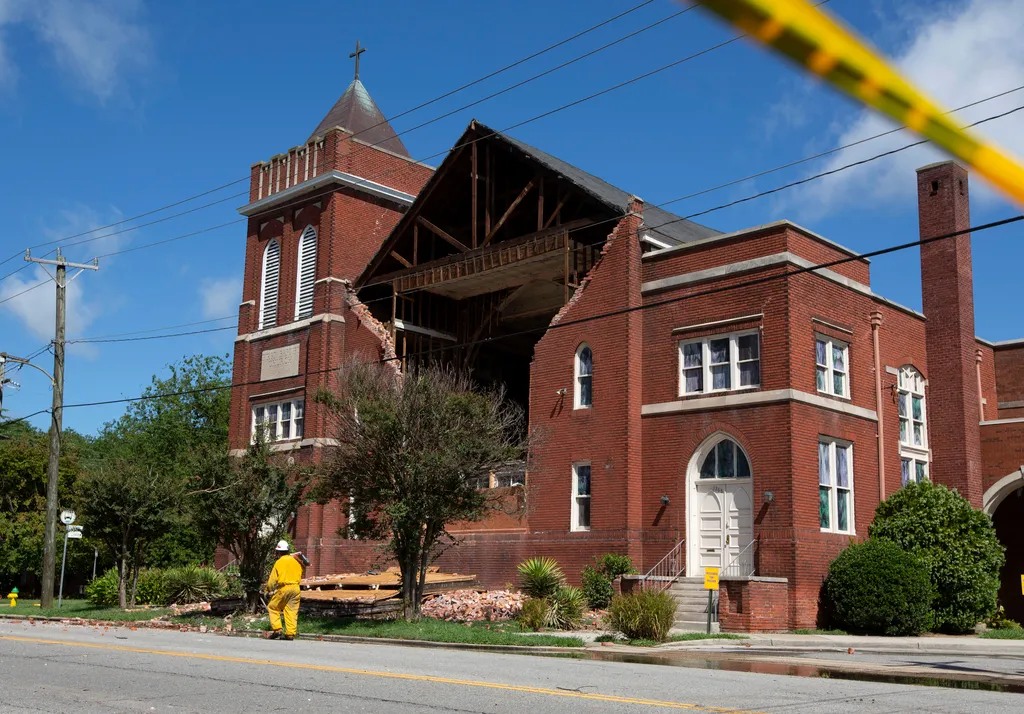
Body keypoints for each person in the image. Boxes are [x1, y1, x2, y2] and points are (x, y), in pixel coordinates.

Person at [266, 540, 304, 640]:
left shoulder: (279, 562)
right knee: (291, 610)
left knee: (273, 607)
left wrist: (268, 590)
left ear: (279, 552)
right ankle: (290, 634)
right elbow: (301, 573)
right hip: (296, 588)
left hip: (284, 588)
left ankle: (277, 630)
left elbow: (272, 580)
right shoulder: (296, 561)